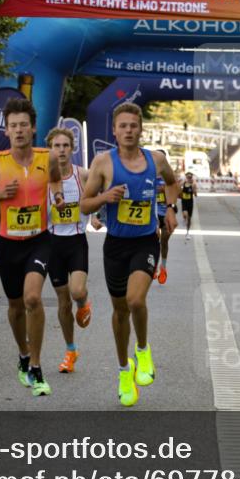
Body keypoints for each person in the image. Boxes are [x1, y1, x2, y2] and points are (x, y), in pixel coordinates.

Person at [79, 103, 179, 407]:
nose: (128, 131)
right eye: (122, 126)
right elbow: (84, 205)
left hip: (145, 241)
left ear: (141, 129)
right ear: (114, 130)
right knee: (120, 311)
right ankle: (125, 370)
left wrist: (170, 209)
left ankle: (144, 350)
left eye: (133, 126)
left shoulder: (156, 160)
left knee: (136, 300)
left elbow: (172, 183)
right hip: (116, 245)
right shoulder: (103, 163)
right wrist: (105, 198)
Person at [0, 98, 64, 397]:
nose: (19, 130)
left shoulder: (46, 157)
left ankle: (36, 367)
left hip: (39, 240)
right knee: (14, 307)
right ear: (6, 130)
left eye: (24, 125)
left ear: (33, 128)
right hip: (8, 244)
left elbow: (56, 180)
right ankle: (23, 354)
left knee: (33, 298)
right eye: (14, 126)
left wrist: (58, 196)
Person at [46, 127, 102, 375]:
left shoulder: (84, 175)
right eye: (56, 146)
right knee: (61, 300)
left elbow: (101, 192)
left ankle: (83, 303)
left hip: (77, 240)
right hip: (52, 243)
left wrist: (99, 216)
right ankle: (70, 350)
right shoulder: (43, 178)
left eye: (65, 146)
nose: (61, 150)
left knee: (77, 290)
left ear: (72, 148)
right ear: (50, 149)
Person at [153, 151, 174, 285]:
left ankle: (163, 268)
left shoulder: (169, 177)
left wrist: (166, 191)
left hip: (165, 214)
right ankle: (153, 267)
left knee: (164, 242)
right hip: (152, 214)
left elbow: (178, 195)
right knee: (154, 241)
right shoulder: (148, 174)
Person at [181, 171, 197, 241]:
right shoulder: (183, 183)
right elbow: (179, 187)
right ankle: (184, 219)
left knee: (189, 219)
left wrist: (194, 189)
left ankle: (187, 232)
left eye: (190, 177)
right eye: (188, 177)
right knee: (185, 214)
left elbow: (195, 194)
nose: (189, 179)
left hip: (190, 203)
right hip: (184, 202)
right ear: (186, 177)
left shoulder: (193, 184)